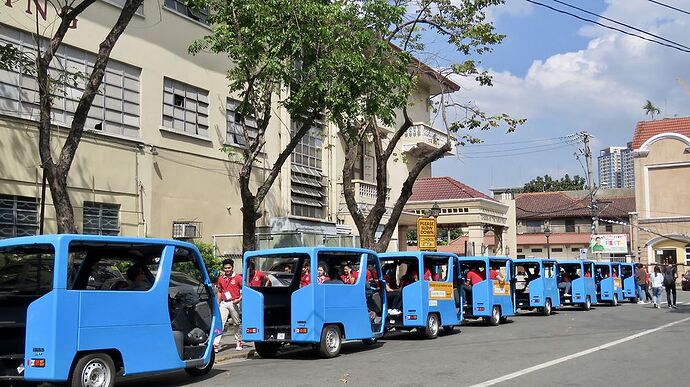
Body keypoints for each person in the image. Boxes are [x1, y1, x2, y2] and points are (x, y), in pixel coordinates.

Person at [214, 259, 243, 352]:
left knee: (236, 323)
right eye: (225, 268)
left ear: (232, 267)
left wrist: (239, 299)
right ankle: (216, 343)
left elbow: (245, 289)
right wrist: (217, 304)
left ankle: (238, 340)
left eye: (229, 268)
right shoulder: (221, 278)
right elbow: (219, 291)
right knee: (220, 323)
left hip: (234, 302)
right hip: (224, 302)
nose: (227, 270)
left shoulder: (238, 277)